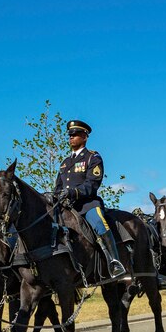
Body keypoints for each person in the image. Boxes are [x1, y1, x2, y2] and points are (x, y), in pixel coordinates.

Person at [53, 119, 125, 279]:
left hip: (87, 205)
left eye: (75, 134)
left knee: (99, 224)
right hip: (66, 207)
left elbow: (92, 183)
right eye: (70, 135)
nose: (71, 137)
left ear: (85, 137)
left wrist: (73, 193)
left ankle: (114, 262)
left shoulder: (93, 157)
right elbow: (58, 187)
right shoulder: (65, 163)